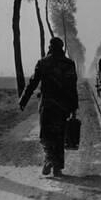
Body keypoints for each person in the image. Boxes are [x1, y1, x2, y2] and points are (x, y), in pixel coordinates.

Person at [19, 37, 78, 177]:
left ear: (50, 47)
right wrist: (74, 107)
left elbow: (32, 83)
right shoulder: (69, 64)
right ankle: (57, 168)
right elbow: (72, 86)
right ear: (62, 48)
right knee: (60, 135)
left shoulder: (43, 62)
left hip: (47, 105)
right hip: (63, 106)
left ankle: (48, 159)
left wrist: (23, 100)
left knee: (45, 134)